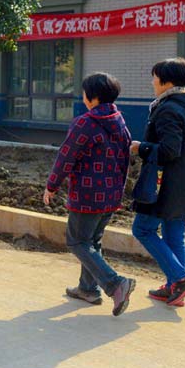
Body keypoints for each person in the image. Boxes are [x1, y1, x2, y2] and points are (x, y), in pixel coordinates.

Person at [44, 72, 135, 316]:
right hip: (111, 195)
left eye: (84, 92)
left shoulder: (85, 123)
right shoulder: (119, 121)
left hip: (87, 195)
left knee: (76, 242)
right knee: (92, 242)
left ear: (92, 97)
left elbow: (66, 157)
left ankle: (115, 284)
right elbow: (126, 157)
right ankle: (87, 288)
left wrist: (52, 185)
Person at [131, 58, 185, 307]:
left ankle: (180, 279)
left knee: (142, 229)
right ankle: (175, 288)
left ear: (167, 81)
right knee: (175, 235)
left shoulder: (168, 109)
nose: (152, 82)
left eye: (154, 77)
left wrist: (140, 147)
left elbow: (168, 151)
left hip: (165, 183)